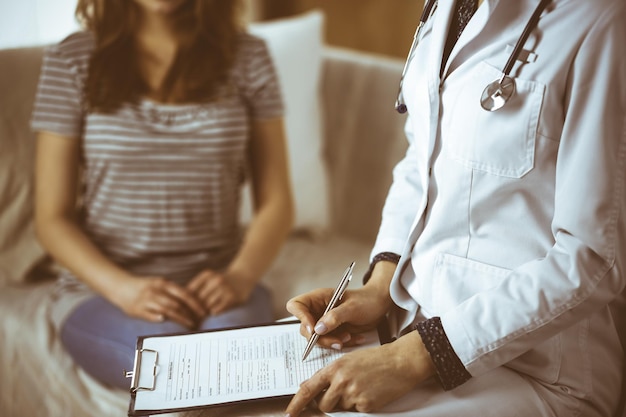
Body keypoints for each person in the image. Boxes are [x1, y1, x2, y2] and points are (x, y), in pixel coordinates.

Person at [285, 0, 626, 416]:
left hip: (536, 369)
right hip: (414, 325)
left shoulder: (601, 20)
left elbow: (591, 258)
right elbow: (422, 160)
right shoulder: (445, 8)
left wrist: (417, 356)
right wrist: (380, 288)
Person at [31, 0, 294, 390]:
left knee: (234, 374)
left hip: (219, 287)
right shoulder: (71, 60)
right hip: (101, 291)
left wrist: (239, 277)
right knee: (174, 371)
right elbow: (51, 219)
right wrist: (123, 289)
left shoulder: (248, 57)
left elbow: (277, 202)